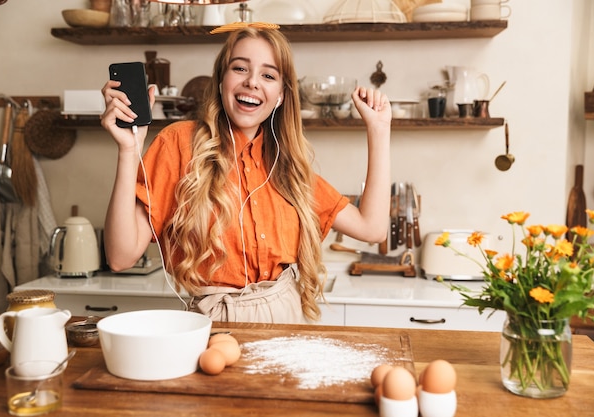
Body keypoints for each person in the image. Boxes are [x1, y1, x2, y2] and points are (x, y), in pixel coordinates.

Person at [100, 24, 392, 324]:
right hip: (216, 327)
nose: (252, 82)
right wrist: (128, 150)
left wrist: (379, 129)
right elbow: (120, 257)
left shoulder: (288, 166)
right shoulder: (178, 144)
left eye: (268, 75)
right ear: (221, 80)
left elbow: (372, 229)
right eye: (240, 68)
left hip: (288, 323)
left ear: (280, 95)